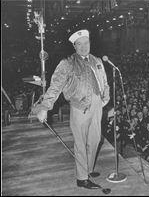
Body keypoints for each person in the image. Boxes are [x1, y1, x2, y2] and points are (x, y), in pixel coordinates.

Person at [31, 29, 110, 189]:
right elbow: (55, 87)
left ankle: (88, 169)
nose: (83, 47)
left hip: (97, 106)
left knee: (95, 141)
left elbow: (104, 81)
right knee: (81, 144)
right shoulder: (67, 63)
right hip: (79, 107)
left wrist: (105, 98)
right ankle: (82, 179)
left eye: (86, 43)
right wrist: (45, 106)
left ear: (90, 43)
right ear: (74, 46)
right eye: (79, 44)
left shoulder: (97, 60)